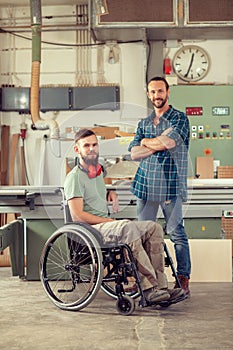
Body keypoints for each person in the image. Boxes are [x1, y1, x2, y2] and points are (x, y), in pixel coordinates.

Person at [64, 128, 184, 304]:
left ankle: (162, 287)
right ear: (77, 150)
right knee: (127, 228)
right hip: (91, 230)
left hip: (106, 226)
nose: (92, 149)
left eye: (95, 145)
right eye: (86, 145)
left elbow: (98, 187)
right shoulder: (74, 178)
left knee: (153, 228)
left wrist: (110, 191)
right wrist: (109, 220)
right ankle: (149, 288)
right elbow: (78, 216)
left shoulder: (97, 171)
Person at [128, 76, 191, 296]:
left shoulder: (180, 119)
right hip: (145, 186)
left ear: (168, 92)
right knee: (143, 236)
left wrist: (148, 142)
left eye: (160, 91)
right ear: (148, 94)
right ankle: (145, 281)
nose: (157, 96)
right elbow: (134, 153)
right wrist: (154, 143)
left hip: (170, 187)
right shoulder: (144, 123)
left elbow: (170, 142)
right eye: (153, 92)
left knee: (176, 234)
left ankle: (182, 279)